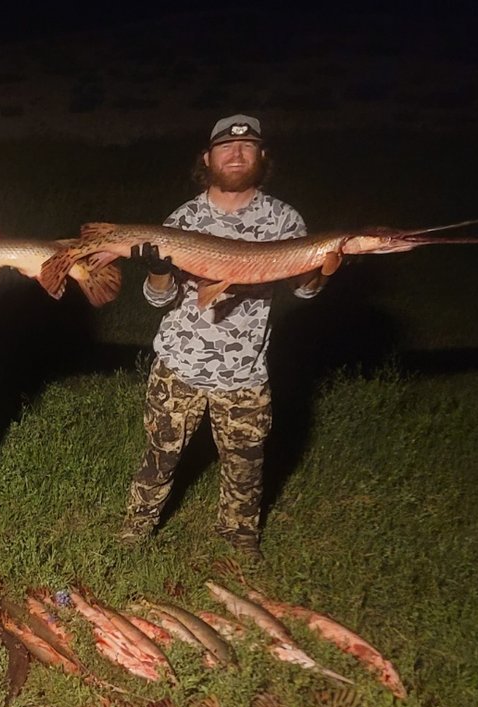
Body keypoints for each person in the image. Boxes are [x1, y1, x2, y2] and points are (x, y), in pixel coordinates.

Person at [117, 114, 325, 560]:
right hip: (180, 363)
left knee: (246, 465)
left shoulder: (284, 219)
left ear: (262, 157)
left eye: (248, 146)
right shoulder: (185, 217)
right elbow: (159, 301)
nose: (237, 154)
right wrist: (157, 274)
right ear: (207, 159)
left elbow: (305, 290)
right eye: (226, 148)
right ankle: (136, 528)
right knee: (160, 456)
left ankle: (239, 538)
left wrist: (323, 266)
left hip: (245, 370)